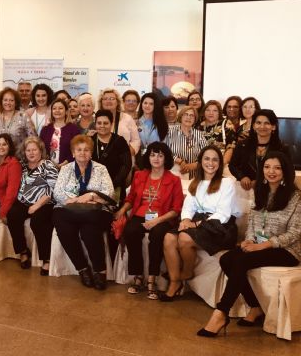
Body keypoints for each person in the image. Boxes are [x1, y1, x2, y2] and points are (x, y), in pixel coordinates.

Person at [198, 151, 300, 338]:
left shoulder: (295, 197)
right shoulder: (259, 191)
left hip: (286, 250)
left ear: (285, 171)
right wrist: (250, 239)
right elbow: (253, 222)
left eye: (277, 168)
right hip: (259, 245)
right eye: (267, 167)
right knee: (227, 259)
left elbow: (295, 233)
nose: (271, 172)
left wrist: (263, 245)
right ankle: (255, 306)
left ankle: (221, 312)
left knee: (241, 261)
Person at [161, 145, 238, 302]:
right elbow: (189, 207)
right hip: (197, 222)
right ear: (200, 161)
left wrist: (195, 225)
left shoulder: (227, 183)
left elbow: (223, 214)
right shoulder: (195, 183)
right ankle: (175, 282)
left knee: (184, 238)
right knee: (169, 238)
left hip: (221, 227)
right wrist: (186, 220)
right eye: (207, 159)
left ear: (220, 163)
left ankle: (187, 273)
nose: (211, 163)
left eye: (215, 159)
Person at [113, 142, 183, 300]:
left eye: (160, 155)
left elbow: (176, 209)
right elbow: (131, 198)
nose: (156, 158)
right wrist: (122, 211)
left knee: (157, 235)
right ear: (148, 157)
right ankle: (138, 276)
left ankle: (152, 279)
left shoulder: (174, 180)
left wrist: (156, 221)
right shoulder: (140, 175)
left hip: (163, 217)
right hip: (140, 214)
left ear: (166, 158)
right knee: (131, 231)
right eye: (152, 155)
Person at [53, 134, 116, 290]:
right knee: (61, 222)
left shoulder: (101, 169)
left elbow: (109, 193)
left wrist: (91, 195)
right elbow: (58, 193)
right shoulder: (66, 169)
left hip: (97, 211)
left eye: (86, 150)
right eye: (79, 150)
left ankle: (100, 271)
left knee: (89, 230)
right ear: (73, 153)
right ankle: (82, 268)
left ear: (91, 153)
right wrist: (77, 199)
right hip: (70, 211)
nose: (82, 153)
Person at [7, 137, 58, 275]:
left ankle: (46, 259)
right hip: (24, 201)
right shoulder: (23, 166)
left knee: (37, 221)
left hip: (45, 202)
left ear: (40, 150)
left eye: (34, 149)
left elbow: (53, 190)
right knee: (12, 215)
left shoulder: (48, 165)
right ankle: (23, 251)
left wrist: (36, 206)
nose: (31, 153)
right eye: (28, 150)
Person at [230, 109, 288, 191]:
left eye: (267, 123)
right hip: (246, 189)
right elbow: (232, 165)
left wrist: (261, 181)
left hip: (272, 190)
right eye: (258, 123)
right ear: (253, 126)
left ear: (273, 126)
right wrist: (242, 177)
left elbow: (288, 172)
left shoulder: (282, 148)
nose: (262, 127)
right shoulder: (242, 145)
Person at [92, 110, 132, 201]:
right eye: (99, 123)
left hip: (115, 186)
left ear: (111, 124)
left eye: (106, 123)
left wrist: (112, 183)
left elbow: (126, 165)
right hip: (93, 187)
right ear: (95, 124)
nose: (102, 126)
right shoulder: (90, 140)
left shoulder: (120, 141)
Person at [0, 87, 35, 155]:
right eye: (5, 100)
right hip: (1, 159)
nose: (8, 102)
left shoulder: (23, 116)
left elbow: (32, 138)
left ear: (16, 102)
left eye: (11, 100)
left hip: (20, 158)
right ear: (1, 101)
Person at [164, 106, 206, 179]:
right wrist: (179, 161)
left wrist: (194, 165)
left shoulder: (199, 135)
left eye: (191, 115)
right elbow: (163, 151)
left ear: (195, 119)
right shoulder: (169, 132)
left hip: (195, 176)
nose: (188, 117)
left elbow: (206, 154)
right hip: (174, 173)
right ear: (181, 116)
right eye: (186, 114)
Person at [98, 88, 140, 157]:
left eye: (112, 98)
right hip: (101, 159)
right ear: (101, 102)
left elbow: (136, 140)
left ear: (117, 102)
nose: (108, 101)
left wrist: (128, 153)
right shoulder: (96, 120)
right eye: (105, 99)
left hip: (124, 161)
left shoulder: (127, 118)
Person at [39, 99, 80, 167]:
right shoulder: (45, 129)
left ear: (66, 111)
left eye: (60, 108)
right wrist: (49, 163)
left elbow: (77, 149)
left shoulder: (74, 129)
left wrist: (64, 163)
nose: (57, 110)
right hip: (48, 168)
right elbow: (41, 149)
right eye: (54, 108)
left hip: (68, 166)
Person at [197, 100, 237, 166]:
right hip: (201, 164)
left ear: (219, 113)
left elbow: (231, 147)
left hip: (221, 163)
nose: (211, 113)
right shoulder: (199, 127)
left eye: (215, 110)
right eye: (208, 110)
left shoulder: (226, 125)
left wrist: (221, 164)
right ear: (204, 112)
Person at [136, 93, 169, 169]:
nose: (147, 106)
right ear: (141, 104)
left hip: (157, 161)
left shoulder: (162, 124)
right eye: (145, 103)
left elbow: (164, 144)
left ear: (155, 106)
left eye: (151, 104)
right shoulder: (135, 123)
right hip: (139, 161)